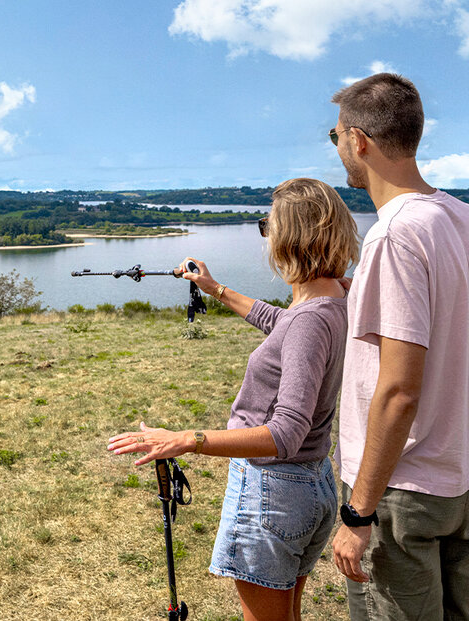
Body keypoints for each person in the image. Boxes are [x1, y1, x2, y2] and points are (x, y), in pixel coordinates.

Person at [108, 177, 359, 621]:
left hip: (275, 490)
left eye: (268, 226)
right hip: (311, 483)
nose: (267, 237)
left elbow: (285, 433)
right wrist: (215, 288)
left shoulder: (310, 321)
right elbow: (282, 323)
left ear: (290, 237)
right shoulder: (339, 299)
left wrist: (187, 439)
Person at [327, 73, 469, 620]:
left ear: (359, 141)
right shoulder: (468, 220)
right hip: (462, 476)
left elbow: (399, 389)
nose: (337, 150)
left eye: (334, 137)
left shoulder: (393, 235)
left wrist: (358, 515)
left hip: (399, 487)